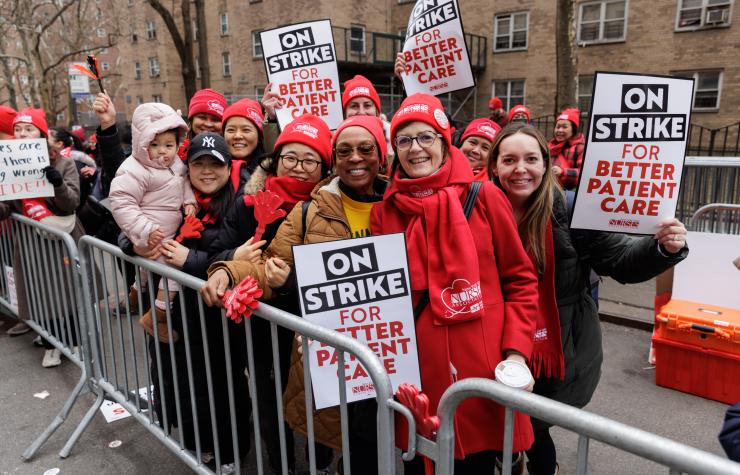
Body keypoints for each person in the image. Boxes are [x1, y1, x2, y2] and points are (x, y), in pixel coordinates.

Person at [486, 123, 689, 475]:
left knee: (535, 423)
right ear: (495, 167)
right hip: (497, 338)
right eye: (510, 160)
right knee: (500, 419)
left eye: (531, 159)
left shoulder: (571, 210)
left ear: (546, 164)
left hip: (563, 343)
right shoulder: (477, 209)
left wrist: (661, 248)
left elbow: (621, 261)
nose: (521, 169)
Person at [203, 114, 388, 475]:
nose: (355, 158)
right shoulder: (311, 210)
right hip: (331, 338)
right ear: (334, 161)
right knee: (343, 427)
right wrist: (227, 270)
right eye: (345, 150)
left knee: (382, 433)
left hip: (389, 342)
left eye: (366, 149)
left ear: (381, 156)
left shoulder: (401, 204)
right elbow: (270, 262)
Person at [371, 94, 539, 473]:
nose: (415, 149)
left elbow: (521, 280)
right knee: (419, 463)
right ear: (394, 149)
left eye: (426, 137)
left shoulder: (486, 197)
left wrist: (516, 353)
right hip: (417, 376)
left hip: (481, 373)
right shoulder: (385, 212)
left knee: (476, 466)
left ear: (445, 141)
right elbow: (380, 297)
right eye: (404, 140)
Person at [203, 113, 333, 474]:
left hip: (316, 323)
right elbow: (218, 251)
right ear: (275, 160)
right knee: (269, 398)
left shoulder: (333, 208)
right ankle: (282, 465)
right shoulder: (248, 204)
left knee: (321, 397)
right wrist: (233, 258)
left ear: (324, 167)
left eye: (310, 160)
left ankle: (321, 463)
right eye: (290, 157)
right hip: (263, 329)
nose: (299, 168)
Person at [125, 132, 252, 475]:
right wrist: (133, 245)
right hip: (178, 319)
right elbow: (130, 223)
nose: (207, 171)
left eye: (215, 163)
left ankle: (230, 454)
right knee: (186, 383)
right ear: (188, 167)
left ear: (228, 167)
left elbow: (241, 256)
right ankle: (198, 446)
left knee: (225, 387)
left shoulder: (242, 200)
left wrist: (190, 259)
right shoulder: (170, 192)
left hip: (221, 320)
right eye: (199, 163)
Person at [0, 109, 84, 366]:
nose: (22, 134)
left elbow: (72, 202)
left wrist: (57, 183)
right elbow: (8, 208)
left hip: (60, 240)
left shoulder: (63, 162)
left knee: (67, 294)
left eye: (28, 129)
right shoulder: (8, 163)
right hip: (30, 242)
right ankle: (51, 343)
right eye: (17, 129)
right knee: (41, 293)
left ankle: (76, 343)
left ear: (41, 133)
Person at [109, 102, 195, 343]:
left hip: (168, 229)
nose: (162, 152)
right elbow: (121, 202)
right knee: (174, 271)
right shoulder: (134, 169)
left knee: (147, 268)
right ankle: (156, 316)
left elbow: (184, 182)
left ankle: (136, 294)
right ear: (141, 143)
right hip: (153, 232)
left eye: (169, 145)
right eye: (154, 145)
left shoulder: (176, 164)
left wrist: (189, 202)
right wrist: (145, 230)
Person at [221, 98, 267, 182]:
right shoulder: (214, 169)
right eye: (231, 130)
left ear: (259, 136)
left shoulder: (271, 171)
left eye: (246, 130)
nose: (237, 136)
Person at [177, 88, 227, 161]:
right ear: (192, 120)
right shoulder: (174, 148)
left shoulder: (232, 150)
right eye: (202, 117)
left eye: (215, 120)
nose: (208, 124)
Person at [548, 108, 585, 190]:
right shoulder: (549, 146)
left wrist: (563, 172)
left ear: (573, 129)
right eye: (557, 127)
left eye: (564, 127)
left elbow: (585, 175)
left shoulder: (580, 148)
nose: (560, 130)